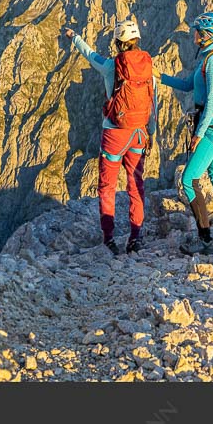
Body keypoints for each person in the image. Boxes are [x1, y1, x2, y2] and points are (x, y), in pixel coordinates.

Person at [64, 18, 154, 254]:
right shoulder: (147, 65)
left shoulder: (111, 65)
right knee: (136, 186)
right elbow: (151, 101)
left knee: (107, 186)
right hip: (139, 132)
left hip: (115, 132)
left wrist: (74, 37)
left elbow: (89, 54)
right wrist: (150, 132)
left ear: (118, 42)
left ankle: (109, 239)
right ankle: (136, 237)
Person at [159, 11, 213, 253]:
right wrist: (158, 76)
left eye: (196, 31)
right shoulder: (206, 58)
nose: (193, 35)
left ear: (205, 35)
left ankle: (204, 239)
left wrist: (199, 133)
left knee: (188, 180)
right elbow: (187, 84)